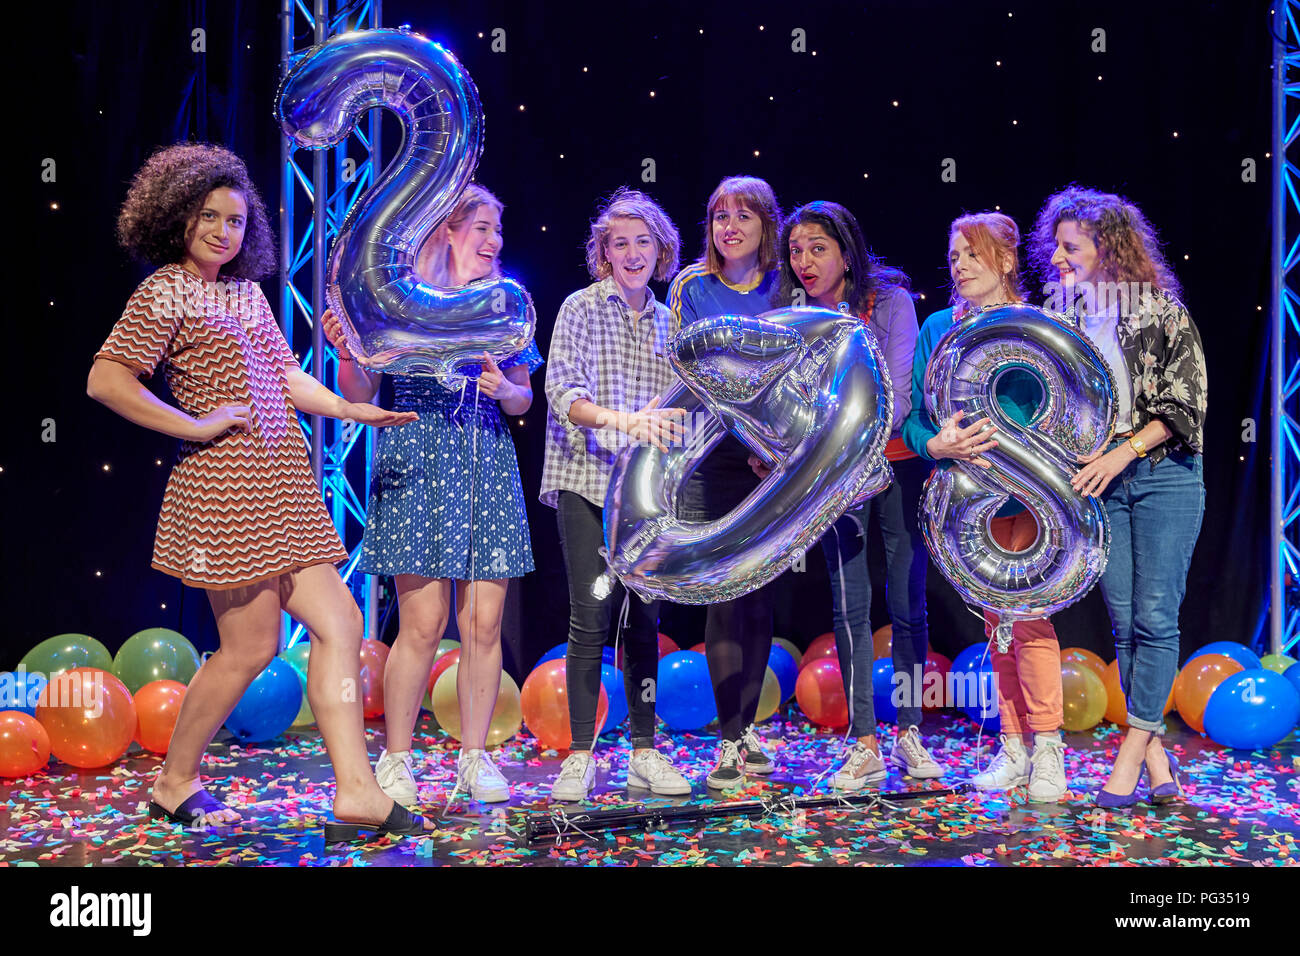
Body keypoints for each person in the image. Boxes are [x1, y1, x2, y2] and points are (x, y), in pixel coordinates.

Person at [87, 142, 431, 841]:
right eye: (208, 216)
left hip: (284, 486)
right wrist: (196, 421)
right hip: (224, 489)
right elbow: (106, 380)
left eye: (237, 220)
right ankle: (174, 779)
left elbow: (285, 379)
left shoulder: (245, 293)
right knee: (250, 649)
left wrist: (349, 409)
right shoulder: (164, 291)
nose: (223, 230)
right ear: (177, 217)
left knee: (341, 624)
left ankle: (357, 791)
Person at [323, 184, 543, 804]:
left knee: (484, 621)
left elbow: (525, 397)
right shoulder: (401, 303)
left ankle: (474, 758)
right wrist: (350, 350)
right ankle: (396, 759)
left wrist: (504, 388)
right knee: (423, 622)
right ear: (445, 230)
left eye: (498, 230)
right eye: (480, 227)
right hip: (417, 453)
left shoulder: (505, 304)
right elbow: (359, 392)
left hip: (484, 457)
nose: (493, 241)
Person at [1032, 187, 1206, 807]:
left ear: (1108, 248)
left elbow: (1186, 407)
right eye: (1055, 245)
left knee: (1156, 618)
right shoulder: (1068, 321)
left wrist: (1122, 451)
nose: (1056, 256)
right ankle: (1160, 764)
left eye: (1069, 245)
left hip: (1163, 476)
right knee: (1125, 624)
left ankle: (1132, 753)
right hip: (1100, 483)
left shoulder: (1159, 311)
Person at [769, 200, 942, 789]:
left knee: (907, 602)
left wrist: (843, 438)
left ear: (846, 250)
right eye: (796, 251)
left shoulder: (889, 298)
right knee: (849, 605)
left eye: (818, 248)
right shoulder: (793, 313)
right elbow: (785, 401)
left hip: (896, 465)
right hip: (837, 479)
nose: (806, 261)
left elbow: (897, 390)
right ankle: (863, 742)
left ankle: (911, 733)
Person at [901, 211, 1068, 802]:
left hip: (1028, 493)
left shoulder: (1035, 324)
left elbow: (1061, 409)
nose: (960, 263)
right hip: (966, 498)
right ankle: (1015, 748)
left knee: (1029, 614)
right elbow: (917, 418)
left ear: (1004, 258)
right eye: (954, 254)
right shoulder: (937, 326)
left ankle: (1048, 748)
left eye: (972, 252)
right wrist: (934, 444)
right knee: (997, 620)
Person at [540, 188, 692, 801]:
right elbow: (561, 393)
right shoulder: (579, 308)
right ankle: (580, 754)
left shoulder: (673, 321)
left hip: (646, 496)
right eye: (619, 243)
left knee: (645, 620)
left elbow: (685, 407)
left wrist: (669, 418)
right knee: (590, 616)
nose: (631, 253)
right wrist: (627, 421)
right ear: (603, 252)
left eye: (643, 242)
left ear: (662, 252)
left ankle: (645, 753)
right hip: (585, 482)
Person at [666, 175, 783, 790]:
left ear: (767, 223)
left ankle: (748, 729)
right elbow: (691, 370)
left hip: (774, 463)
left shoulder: (784, 283)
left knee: (760, 595)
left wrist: (779, 448)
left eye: (743, 215)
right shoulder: (693, 286)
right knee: (722, 593)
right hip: (713, 458)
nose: (729, 226)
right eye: (718, 216)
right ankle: (729, 741)